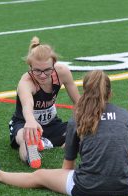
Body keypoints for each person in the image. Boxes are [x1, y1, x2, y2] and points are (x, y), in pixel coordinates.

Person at [0, 70, 128, 196]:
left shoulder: (78, 118)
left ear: (85, 93)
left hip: (85, 188)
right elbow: (127, 157)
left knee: (39, 176)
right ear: (110, 93)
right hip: (126, 186)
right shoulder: (126, 116)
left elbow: (68, 167)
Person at [8, 36, 80, 169]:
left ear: (54, 65)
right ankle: (31, 149)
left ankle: (45, 143)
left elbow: (78, 102)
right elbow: (27, 107)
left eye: (47, 70)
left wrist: (79, 124)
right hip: (24, 123)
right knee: (25, 137)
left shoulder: (62, 72)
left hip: (52, 124)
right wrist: (30, 121)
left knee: (82, 132)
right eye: (37, 70)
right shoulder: (26, 82)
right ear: (30, 67)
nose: (42, 75)